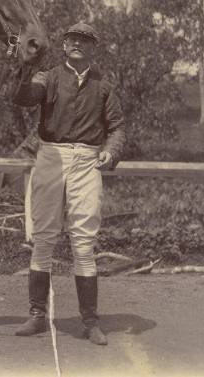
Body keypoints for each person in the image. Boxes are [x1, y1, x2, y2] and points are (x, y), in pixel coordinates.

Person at [12, 21, 125, 345]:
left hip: (87, 161)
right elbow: (23, 98)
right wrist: (25, 67)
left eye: (85, 40)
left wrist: (111, 151)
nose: (78, 44)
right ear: (64, 46)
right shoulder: (47, 77)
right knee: (44, 238)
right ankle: (36, 315)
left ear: (93, 48)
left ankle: (90, 321)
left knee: (84, 243)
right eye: (72, 39)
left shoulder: (103, 86)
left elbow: (117, 127)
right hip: (51, 157)